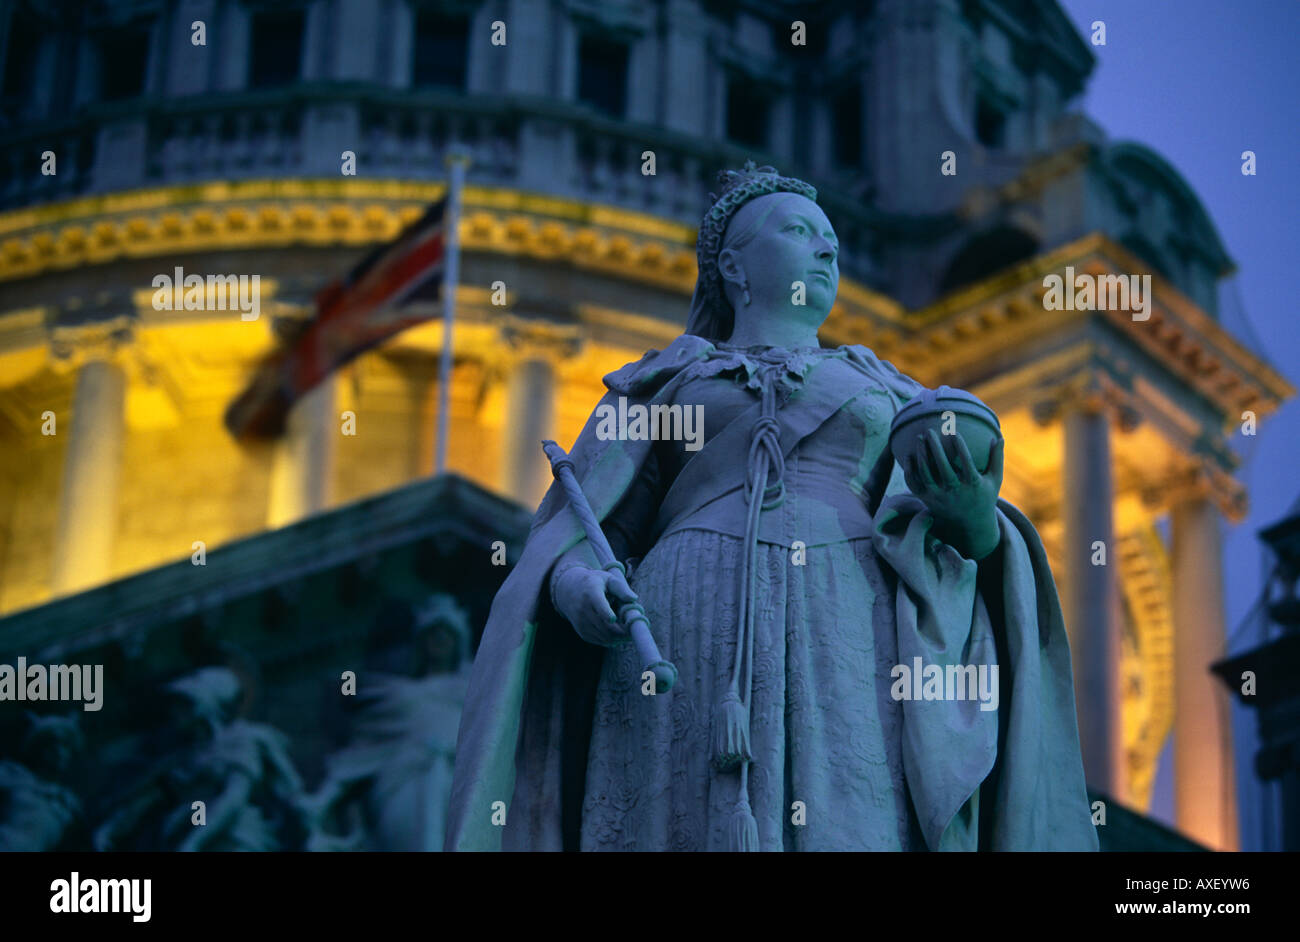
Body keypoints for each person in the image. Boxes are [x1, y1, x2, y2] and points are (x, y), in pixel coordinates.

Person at [446, 162, 1096, 851]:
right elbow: (585, 529)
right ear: (733, 265)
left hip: (849, 616)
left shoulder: (889, 390)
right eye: (799, 231)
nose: (826, 250)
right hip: (682, 621)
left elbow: (945, 541)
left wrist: (973, 519)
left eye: (832, 242)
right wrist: (580, 587)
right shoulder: (661, 383)